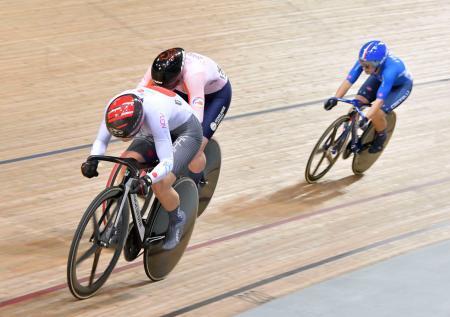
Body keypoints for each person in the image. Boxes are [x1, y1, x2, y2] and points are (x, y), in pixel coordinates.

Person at [80, 86, 203, 250]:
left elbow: (167, 162)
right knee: (125, 163)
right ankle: (119, 222)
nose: (124, 139)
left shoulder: (154, 114)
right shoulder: (114, 107)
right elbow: (101, 141)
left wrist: (148, 179)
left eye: (128, 135)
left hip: (185, 131)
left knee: (160, 183)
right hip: (152, 130)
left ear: (137, 123)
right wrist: (92, 160)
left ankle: (177, 218)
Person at [138, 48, 232, 182]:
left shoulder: (194, 75)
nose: (164, 88)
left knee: (194, 151)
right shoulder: (157, 70)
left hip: (215, 97)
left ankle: (198, 180)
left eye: (168, 85)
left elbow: (195, 121)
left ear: (178, 76)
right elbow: (138, 96)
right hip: (184, 90)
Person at [324, 40, 413, 153]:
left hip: (399, 87)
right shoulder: (366, 61)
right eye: (362, 65)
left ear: (378, 64)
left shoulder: (390, 70)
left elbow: (380, 100)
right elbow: (349, 80)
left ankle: (381, 136)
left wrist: (366, 118)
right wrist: (335, 98)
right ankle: (347, 133)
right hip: (379, 78)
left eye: (367, 66)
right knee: (357, 102)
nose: (364, 69)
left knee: (377, 114)